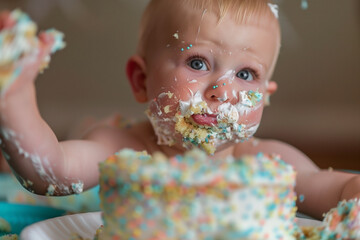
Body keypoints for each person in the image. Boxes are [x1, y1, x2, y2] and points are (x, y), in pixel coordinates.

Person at [0, 0, 359, 220]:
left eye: (246, 74)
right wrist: (13, 98)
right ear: (141, 80)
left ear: (265, 95)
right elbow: (48, 172)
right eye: (199, 63)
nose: (222, 91)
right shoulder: (122, 148)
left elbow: (340, 188)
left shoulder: (267, 164)